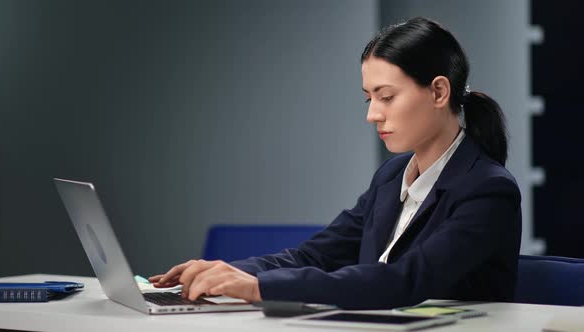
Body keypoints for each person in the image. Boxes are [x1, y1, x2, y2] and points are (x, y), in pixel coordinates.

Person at [149, 17, 522, 310]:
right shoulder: (392, 177)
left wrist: (258, 288)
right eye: (368, 99)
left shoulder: (488, 190)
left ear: (438, 91)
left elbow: (405, 281)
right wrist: (230, 272)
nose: (373, 115)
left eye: (387, 97)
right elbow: (315, 255)